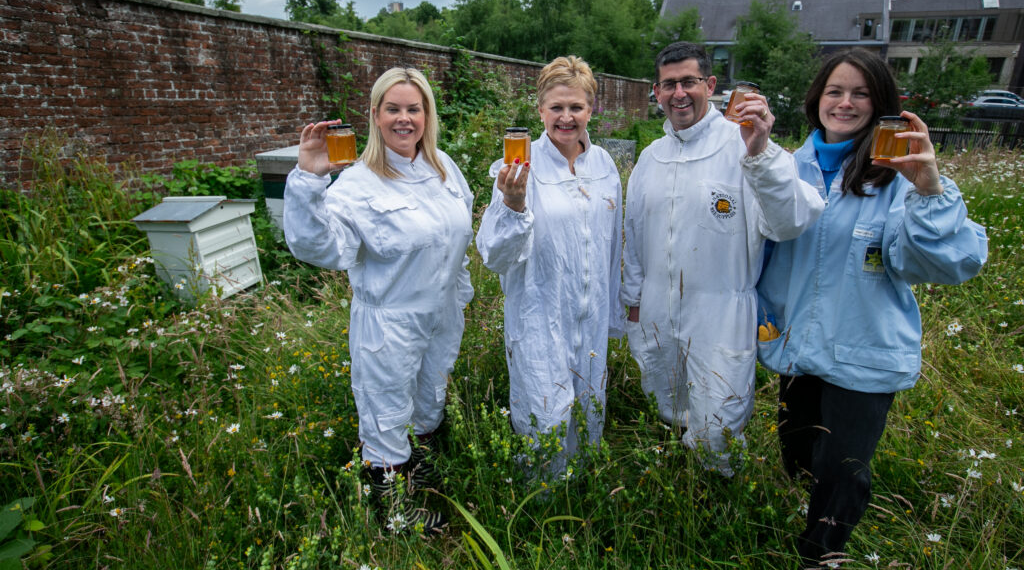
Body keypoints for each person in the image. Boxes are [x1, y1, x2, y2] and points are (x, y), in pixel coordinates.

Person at [756, 49, 987, 569]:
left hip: (862, 350)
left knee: (843, 469)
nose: (845, 103)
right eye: (835, 91)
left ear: (880, 103)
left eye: (860, 93)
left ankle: (822, 557)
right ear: (816, 99)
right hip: (796, 346)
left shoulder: (899, 174)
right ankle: (804, 517)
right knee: (799, 454)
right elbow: (765, 251)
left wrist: (930, 188)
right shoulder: (790, 167)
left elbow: (951, 262)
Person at [283, 67, 474, 534]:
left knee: (431, 399)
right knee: (386, 413)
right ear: (375, 115)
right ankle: (395, 514)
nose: (404, 119)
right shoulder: (356, 183)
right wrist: (309, 179)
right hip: (389, 321)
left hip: (441, 312)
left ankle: (420, 478)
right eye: (393, 109)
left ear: (427, 115)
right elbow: (320, 247)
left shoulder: (444, 167)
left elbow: (459, 235)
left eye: (414, 108)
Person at [621, 41, 824, 475]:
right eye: (669, 84)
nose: (679, 93)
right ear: (656, 92)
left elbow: (790, 222)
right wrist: (635, 300)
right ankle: (681, 488)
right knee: (668, 405)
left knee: (719, 423)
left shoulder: (746, 143)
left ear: (710, 86)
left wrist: (762, 155)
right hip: (657, 306)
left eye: (689, 82)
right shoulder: (649, 159)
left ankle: (716, 494)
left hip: (721, 307)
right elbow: (634, 234)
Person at [476, 55, 623, 478]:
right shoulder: (519, 169)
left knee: (589, 413)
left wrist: (612, 313)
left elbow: (611, 247)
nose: (566, 117)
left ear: (591, 109)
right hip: (539, 316)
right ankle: (539, 514)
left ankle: (582, 505)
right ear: (539, 109)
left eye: (576, 107)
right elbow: (495, 255)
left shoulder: (604, 167)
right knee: (545, 420)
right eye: (556, 107)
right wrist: (514, 206)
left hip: (590, 319)